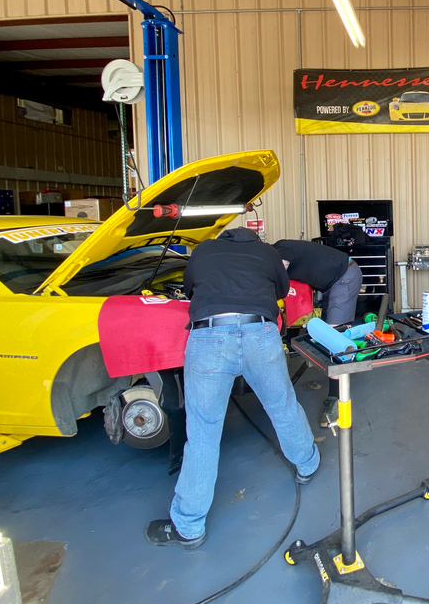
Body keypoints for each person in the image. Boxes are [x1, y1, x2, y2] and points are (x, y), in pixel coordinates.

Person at [146, 228, 319, 549]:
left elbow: (189, 288)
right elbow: (281, 289)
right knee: (282, 405)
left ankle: (188, 525)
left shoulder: (203, 251)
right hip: (259, 333)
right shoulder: (267, 251)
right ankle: (307, 464)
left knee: (203, 431)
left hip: (209, 335)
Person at [273, 239, 363, 428]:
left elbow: (277, 279)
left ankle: (335, 400)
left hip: (344, 277)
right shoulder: (279, 248)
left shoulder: (281, 252)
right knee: (326, 334)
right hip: (331, 281)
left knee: (335, 340)